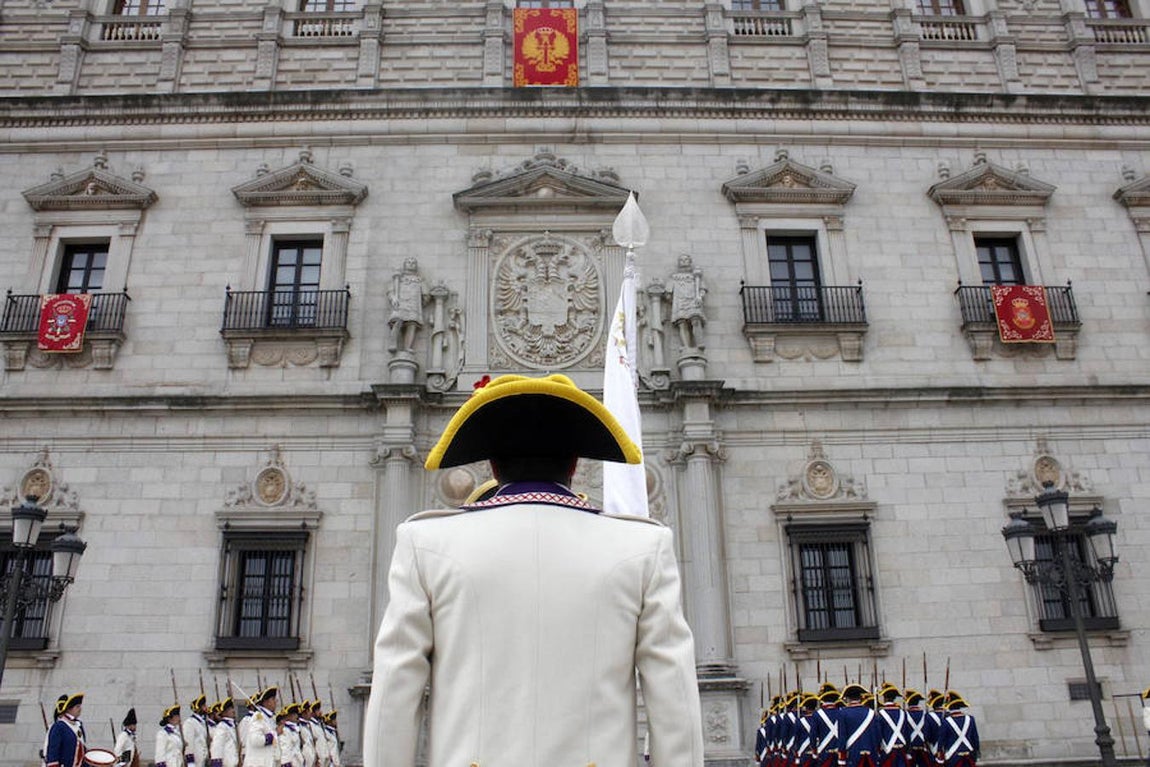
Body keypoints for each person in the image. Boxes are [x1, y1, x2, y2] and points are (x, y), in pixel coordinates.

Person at [363, 373, 704, 767]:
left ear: (492, 465)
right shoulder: (642, 547)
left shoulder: (425, 545)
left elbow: (394, 697)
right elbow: (674, 702)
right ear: (575, 463)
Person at [837, 683, 879, 767]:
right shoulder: (871, 712)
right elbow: (876, 735)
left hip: (853, 754)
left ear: (848, 698)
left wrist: (842, 757)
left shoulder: (843, 713)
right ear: (860, 698)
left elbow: (842, 737)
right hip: (870, 754)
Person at [936, 693, 978, 767]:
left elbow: (942, 740)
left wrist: (939, 751)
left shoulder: (945, 722)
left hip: (953, 757)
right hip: (969, 755)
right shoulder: (971, 719)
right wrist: (976, 752)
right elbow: (975, 739)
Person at [45, 693, 86, 767]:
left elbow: (82, 751)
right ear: (69, 709)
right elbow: (53, 752)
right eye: (77, 707)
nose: (80, 709)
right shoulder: (59, 726)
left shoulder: (78, 725)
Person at [242, 687, 280, 767]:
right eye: (273, 699)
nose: (276, 701)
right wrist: (273, 735)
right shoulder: (258, 718)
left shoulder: (269, 718)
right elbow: (255, 739)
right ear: (266, 702)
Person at [209, 698, 239, 767]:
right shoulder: (222, 727)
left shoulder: (233, 726)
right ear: (224, 713)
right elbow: (217, 747)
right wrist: (216, 764)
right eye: (230, 709)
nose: (233, 711)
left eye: (232, 708)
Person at [184, 695, 210, 767]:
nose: (206, 708)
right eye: (204, 706)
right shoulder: (190, 722)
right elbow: (189, 744)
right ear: (198, 708)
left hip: (203, 761)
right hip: (195, 761)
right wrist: (190, 762)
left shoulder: (202, 722)